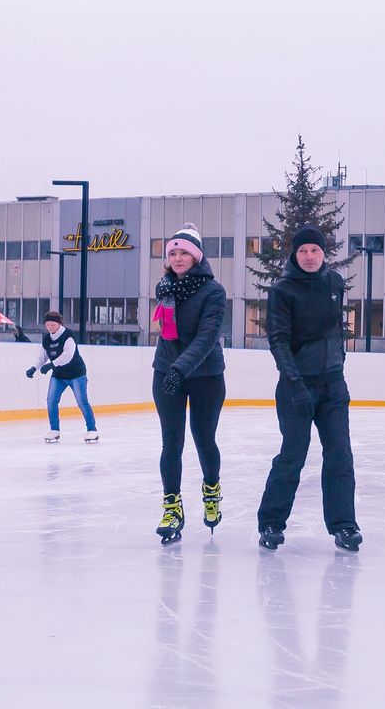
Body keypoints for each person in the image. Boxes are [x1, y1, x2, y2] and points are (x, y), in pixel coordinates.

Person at [257, 226, 362, 553]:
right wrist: (295, 383)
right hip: (296, 387)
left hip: (332, 385)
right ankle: (271, 523)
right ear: (295, 254)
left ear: (323, 253)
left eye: (315, 250)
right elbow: (278, 340)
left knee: (340, 454)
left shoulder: (334, 283)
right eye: (303, 251)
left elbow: (334, 330)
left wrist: (338, 368)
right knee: (293, 455)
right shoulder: (283, 291)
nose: (310, 256)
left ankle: (344, 525)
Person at [150, 223, 227, 545]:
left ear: (196, 256)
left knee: (203, 439)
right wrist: (171, 369)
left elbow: (207, 337)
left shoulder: (214, 292)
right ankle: (172, 507)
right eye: (173, 253)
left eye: (184, 252)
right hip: (167, 372)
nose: (178, 258)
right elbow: (168, 336)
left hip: (206, 375)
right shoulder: (165, 288)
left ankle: (211, 490)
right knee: (171, 442)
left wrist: (181, 369)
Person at [26, 310, 98, 444]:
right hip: (59, 376)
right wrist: (33, 368)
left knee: (82, 401)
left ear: (59, 324)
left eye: (53, 325)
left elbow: (68, 355)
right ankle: (54, 430)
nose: (50, 327)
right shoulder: (47, 339)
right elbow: (42, 357)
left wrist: (51, 365)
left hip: (76, 373)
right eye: (48, 325)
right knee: (51, 400)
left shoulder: (68, 335)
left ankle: (92, 430)